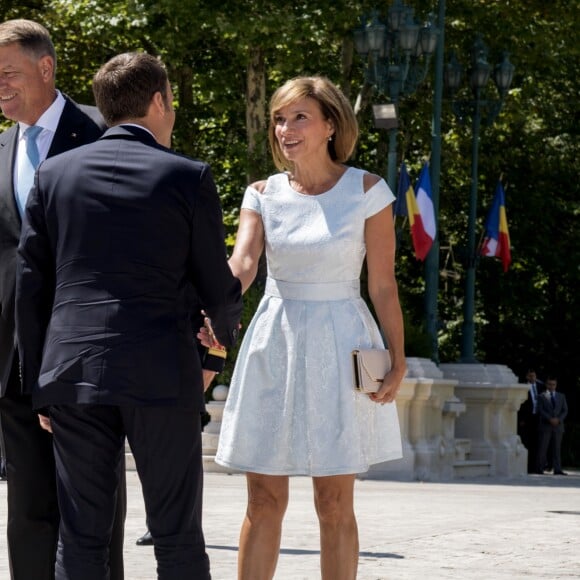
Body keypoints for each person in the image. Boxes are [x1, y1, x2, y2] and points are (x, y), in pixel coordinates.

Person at [15, 51, 242, 579]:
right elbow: (218, 287)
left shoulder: (53, 174)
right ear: (160, 100)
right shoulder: (188, 176)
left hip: (72, 374)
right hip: (162, 373)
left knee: (81, 538)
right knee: (177, 536)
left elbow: (31, 289)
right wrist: (218, 345)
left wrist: (39, 386)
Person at [214, 76, 405, 579]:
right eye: (280, 117)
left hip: (342, 342)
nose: (285, 128)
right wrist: (209, 306)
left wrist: (398, 358)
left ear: (330, 125)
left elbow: (383, 285)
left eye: (299, 117)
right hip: (274, 339)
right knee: (263, 496)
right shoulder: (261, 192)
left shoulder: (368, 190)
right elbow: (245, 264)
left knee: (333, 499)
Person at [0, 19, 125, 579]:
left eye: (8, 74)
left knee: (94, 509)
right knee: (26, 510)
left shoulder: (105, 133)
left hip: (87, 353)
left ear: (45, 68)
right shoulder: (1, 146)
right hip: (13, 360)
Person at [536, 376, 568, 476]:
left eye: (553, 384)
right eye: (549, 384)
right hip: (546, 425)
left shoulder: (561, 396)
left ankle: (557, 469)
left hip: (558, 426)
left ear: (556, 385)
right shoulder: (541, 396)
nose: (551, 386)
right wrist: (550, 419)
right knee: (543, 448)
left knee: (557, 449)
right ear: (546, 384)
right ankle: (539, 468)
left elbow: (565, 410)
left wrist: (558, 419)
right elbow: (540, 410)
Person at [517, 368, 544, 473]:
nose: (532, 378)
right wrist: (521, 419)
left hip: (538, 418)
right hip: (527, 419)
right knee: (527, 442)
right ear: (527, 376)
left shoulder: (541, 386)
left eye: (534, 375)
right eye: (530, 376)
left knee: (537, 444)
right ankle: (526, 467)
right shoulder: (522, 386)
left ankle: (536, 467)